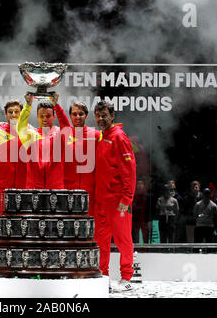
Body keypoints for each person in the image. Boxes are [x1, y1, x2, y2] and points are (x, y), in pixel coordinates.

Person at [93, 100, 136, 292]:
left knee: (123, 240)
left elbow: (129, 170)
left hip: (118, 201)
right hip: (102, 201)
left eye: (104, 115)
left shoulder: (119, 137)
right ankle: (103, 277)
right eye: (98, 115)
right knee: (102, 242)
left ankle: (126, 278)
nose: (101, 119)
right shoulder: (103, 136)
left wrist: (126, 199)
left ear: (112, 116)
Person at [0, 100, 26, 247]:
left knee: (20, 229)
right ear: (5, 114)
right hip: (0, 190)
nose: (14, 115)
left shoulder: (29, 132)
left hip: (22, 191)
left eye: (17, 112)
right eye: (10, 112)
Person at [53, 99, 100, 216]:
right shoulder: (64, 134)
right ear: (70, 115)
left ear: (86, 115)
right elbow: (62, 120)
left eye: (81, 114)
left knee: (88, 227)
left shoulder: (96, 135)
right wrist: (56, 104)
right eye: (74, 114)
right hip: (68, 190)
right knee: (69, 227)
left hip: (90, 191)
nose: (77, 117)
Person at [17, 92, 66, 189]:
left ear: (54, 117)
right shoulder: (31, 134)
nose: (44, 119)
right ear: (37, 117)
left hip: (55, 188)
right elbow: (20, 126)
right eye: (41, 116)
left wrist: (56, 105)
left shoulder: (59, 133)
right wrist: (28, 105)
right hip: (33, 188)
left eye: (48, 116)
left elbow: (67, 128)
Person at [132, 178, 149, 244]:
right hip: (135, 218)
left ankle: (144, 249)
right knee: (136, 235)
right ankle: (136, 248)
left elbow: (148, 208)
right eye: (138, 184)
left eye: (141, 184)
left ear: (144, 185)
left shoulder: (147, 195)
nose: (139, 185)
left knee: (145, 234)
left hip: (144, 218)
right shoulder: (133, 195)